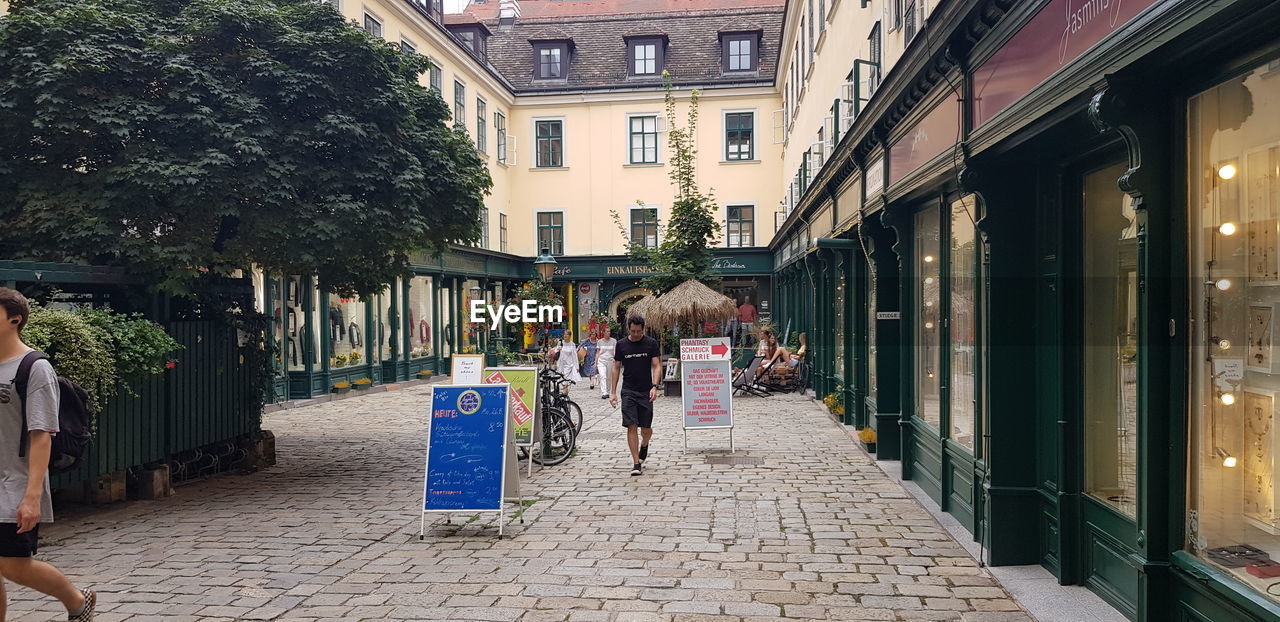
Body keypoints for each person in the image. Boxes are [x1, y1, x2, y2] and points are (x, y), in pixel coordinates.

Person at [0, 288, 95, 621]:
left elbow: (42, 435)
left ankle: (76, 600)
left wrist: (32, 497)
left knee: (12, 565)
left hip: (15, 483)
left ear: (15, 319)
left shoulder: (35, 367)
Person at [609, 316, 661, 476]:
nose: (636, 334)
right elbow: (616, 367)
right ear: (628, 329)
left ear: (643, 329)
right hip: (628, 391)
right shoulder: (621, 345)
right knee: (631, 425)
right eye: (633, 331)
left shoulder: (651, 343)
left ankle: (645, 444)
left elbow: (657, 365)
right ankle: (636, 462)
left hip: (646, 390)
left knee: (646, 428)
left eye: (639, 331)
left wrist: (654, 386)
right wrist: (613, 392)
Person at [595, 329, 617, 400]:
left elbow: (615, 351)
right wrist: (596, 362)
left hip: (610, 361)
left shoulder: (613, 341)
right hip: (601, 361)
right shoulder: (599, 342)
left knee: (608, 377)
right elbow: (598, 352)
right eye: (607, 331)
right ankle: (604, 392)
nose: (609, 333)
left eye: (609, 331)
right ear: (603, 332)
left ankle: (607, 391)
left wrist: (615, 359)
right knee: (602, 376)